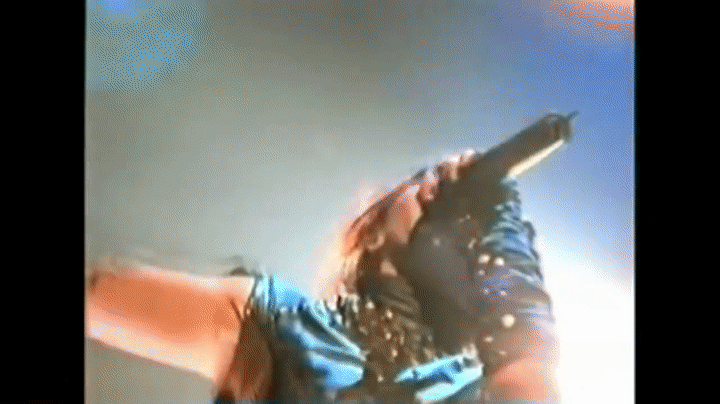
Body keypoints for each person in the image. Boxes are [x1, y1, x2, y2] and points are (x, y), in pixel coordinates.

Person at [87, 131, 564, 403]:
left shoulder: (474, 389)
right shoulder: (283, 324)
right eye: (428, 179)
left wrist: (503, 228)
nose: (445, 190)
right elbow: (97, 298)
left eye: (473, 218)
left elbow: (525, 389)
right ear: (373, 230)